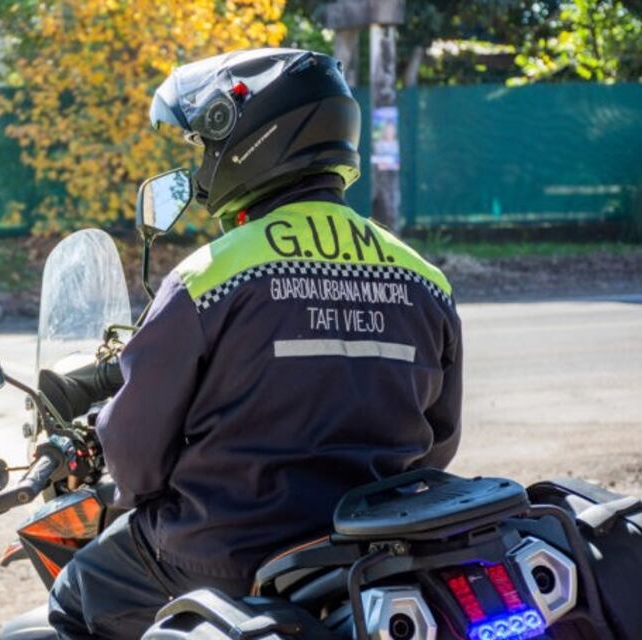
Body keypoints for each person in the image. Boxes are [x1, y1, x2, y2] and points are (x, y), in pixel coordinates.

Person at [48, 48, 462, 639]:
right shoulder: (425, 278)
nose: (205, 166)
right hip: (371, 550)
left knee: (76, 595)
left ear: (249, 141)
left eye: (209, 148)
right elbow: (438, 446)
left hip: (225, 553)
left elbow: (136, 461)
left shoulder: (208, 278)